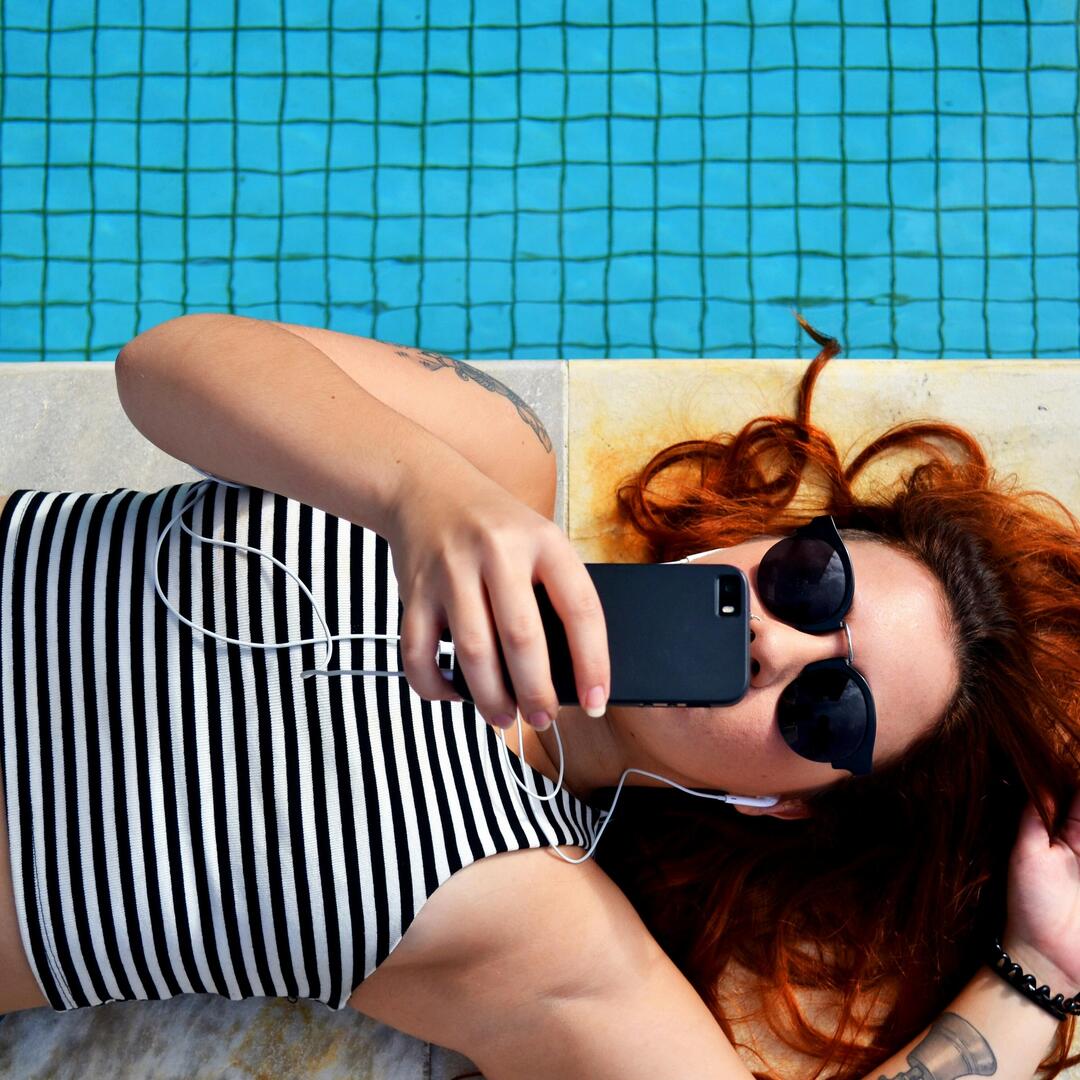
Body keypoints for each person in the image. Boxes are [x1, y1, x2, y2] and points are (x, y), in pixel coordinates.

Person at [0, 311, 1075, 1079]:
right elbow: (159, 365)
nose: (771, 643)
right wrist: (419, 489)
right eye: (811, 579)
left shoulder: (547, 925)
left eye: (829, 711)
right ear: (767, 540)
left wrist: (1038, 971)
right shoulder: (493, 458)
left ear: (786, 803)